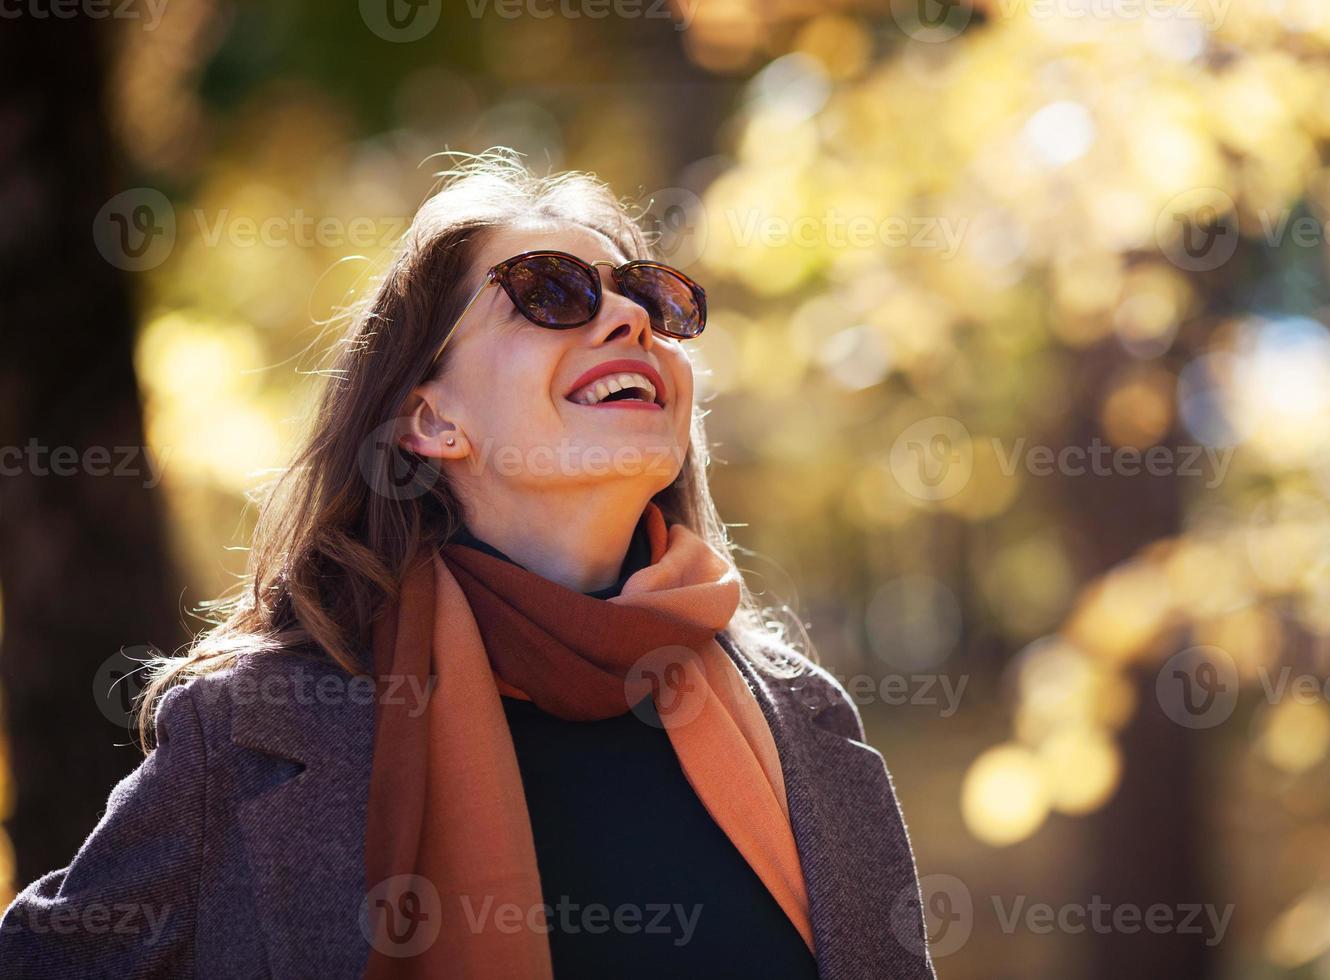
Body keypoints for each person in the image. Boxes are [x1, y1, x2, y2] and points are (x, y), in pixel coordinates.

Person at [0, 150, 935, 979]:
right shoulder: (248, 732)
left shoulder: (807, 722)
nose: (627, 320)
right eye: (552, 292)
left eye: (650, 298)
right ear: (430, 419)